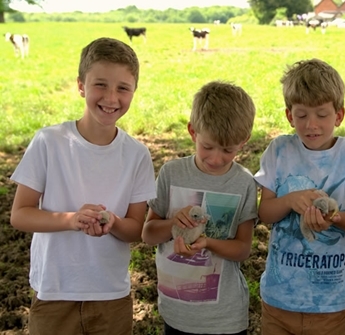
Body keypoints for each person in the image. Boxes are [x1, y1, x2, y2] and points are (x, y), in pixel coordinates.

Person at [9, 37, 157, 335]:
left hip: (111, 296)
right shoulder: (49, 142)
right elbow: (20, 214)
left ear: (134, 92)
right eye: (100, 84)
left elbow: (135, 230)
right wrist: (71, 219)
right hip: (54, 293)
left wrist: (113, 222)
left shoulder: (137, 154)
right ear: (80, 85)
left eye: (123, 88)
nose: (111, 98)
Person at [254, 58, 345, 335]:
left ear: (339, 115)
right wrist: (288, 201)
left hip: (330, 300)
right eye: (301, 115)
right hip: (278, 298)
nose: (311, 124)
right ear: (289, 115)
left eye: (322, 115)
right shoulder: (279, 149)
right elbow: (265, 214)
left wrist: (334, 219)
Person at [142, 80, 258, 335]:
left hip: (225, 318)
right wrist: (174, 223)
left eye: (228, 150)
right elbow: (148, 234)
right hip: (176, 312)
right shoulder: (171, 173)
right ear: (192, 132)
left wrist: (207, 243)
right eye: (207, 147)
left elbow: (242, 249)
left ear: (244, 141)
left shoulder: (244, 182)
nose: (216, 159)